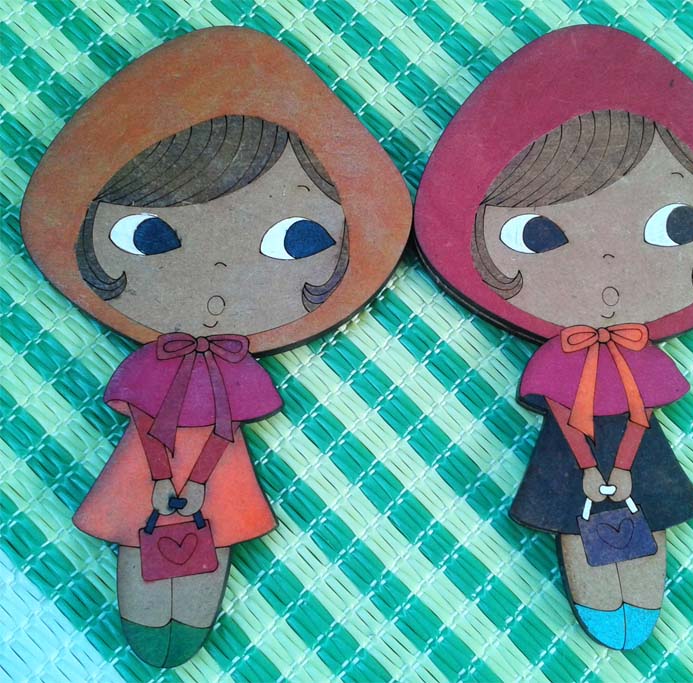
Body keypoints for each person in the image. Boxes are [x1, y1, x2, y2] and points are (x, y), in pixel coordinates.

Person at [21, 27, 410, 667]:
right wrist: (162, 475)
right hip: (147, 463)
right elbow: (143, 417)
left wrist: (196, 480)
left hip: (214, 468)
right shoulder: (156, 358)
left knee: (216, 524)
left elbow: (227, 427)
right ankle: (150, 622)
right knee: (141, 523)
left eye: (296, 239)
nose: (222, 273)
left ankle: (187, 619)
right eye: (150, 234)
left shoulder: (229, 363)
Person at [414, 26, 693, 650]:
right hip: (572, 450)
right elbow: (562, 410)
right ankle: (605, 603)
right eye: (536, 235)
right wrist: (590, 467)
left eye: (677, 224)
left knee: (650, 506)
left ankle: (636, 603)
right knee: (576, 509)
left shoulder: (635, 349)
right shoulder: (561, 355)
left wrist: (619, 464)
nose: (608, 263)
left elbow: (643, 409)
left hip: (637, 447)